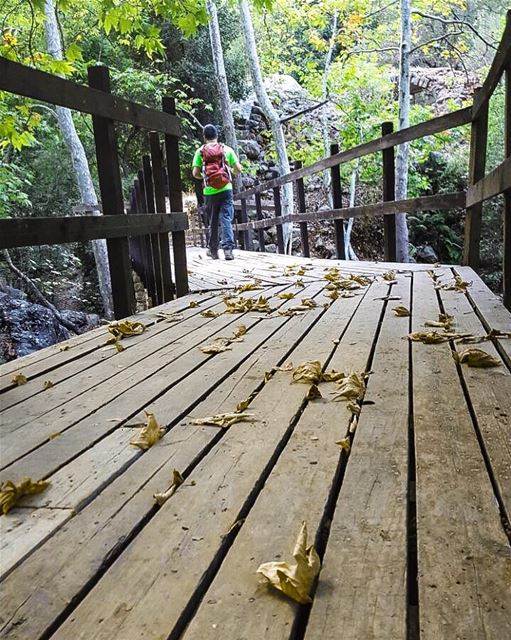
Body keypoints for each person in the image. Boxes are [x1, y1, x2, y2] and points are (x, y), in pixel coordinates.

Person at [192, 124, 242, 260]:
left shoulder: (200, 151)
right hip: (226, 188)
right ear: (217, 135)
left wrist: (205, 177)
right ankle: (228, 250)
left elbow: (195, 173)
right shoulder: (226, 149)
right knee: (226, 218)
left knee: (213, 220)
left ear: (204, 137)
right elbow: (238, 168)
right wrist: (230, 173)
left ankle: (213, 250)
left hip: (209, 191)